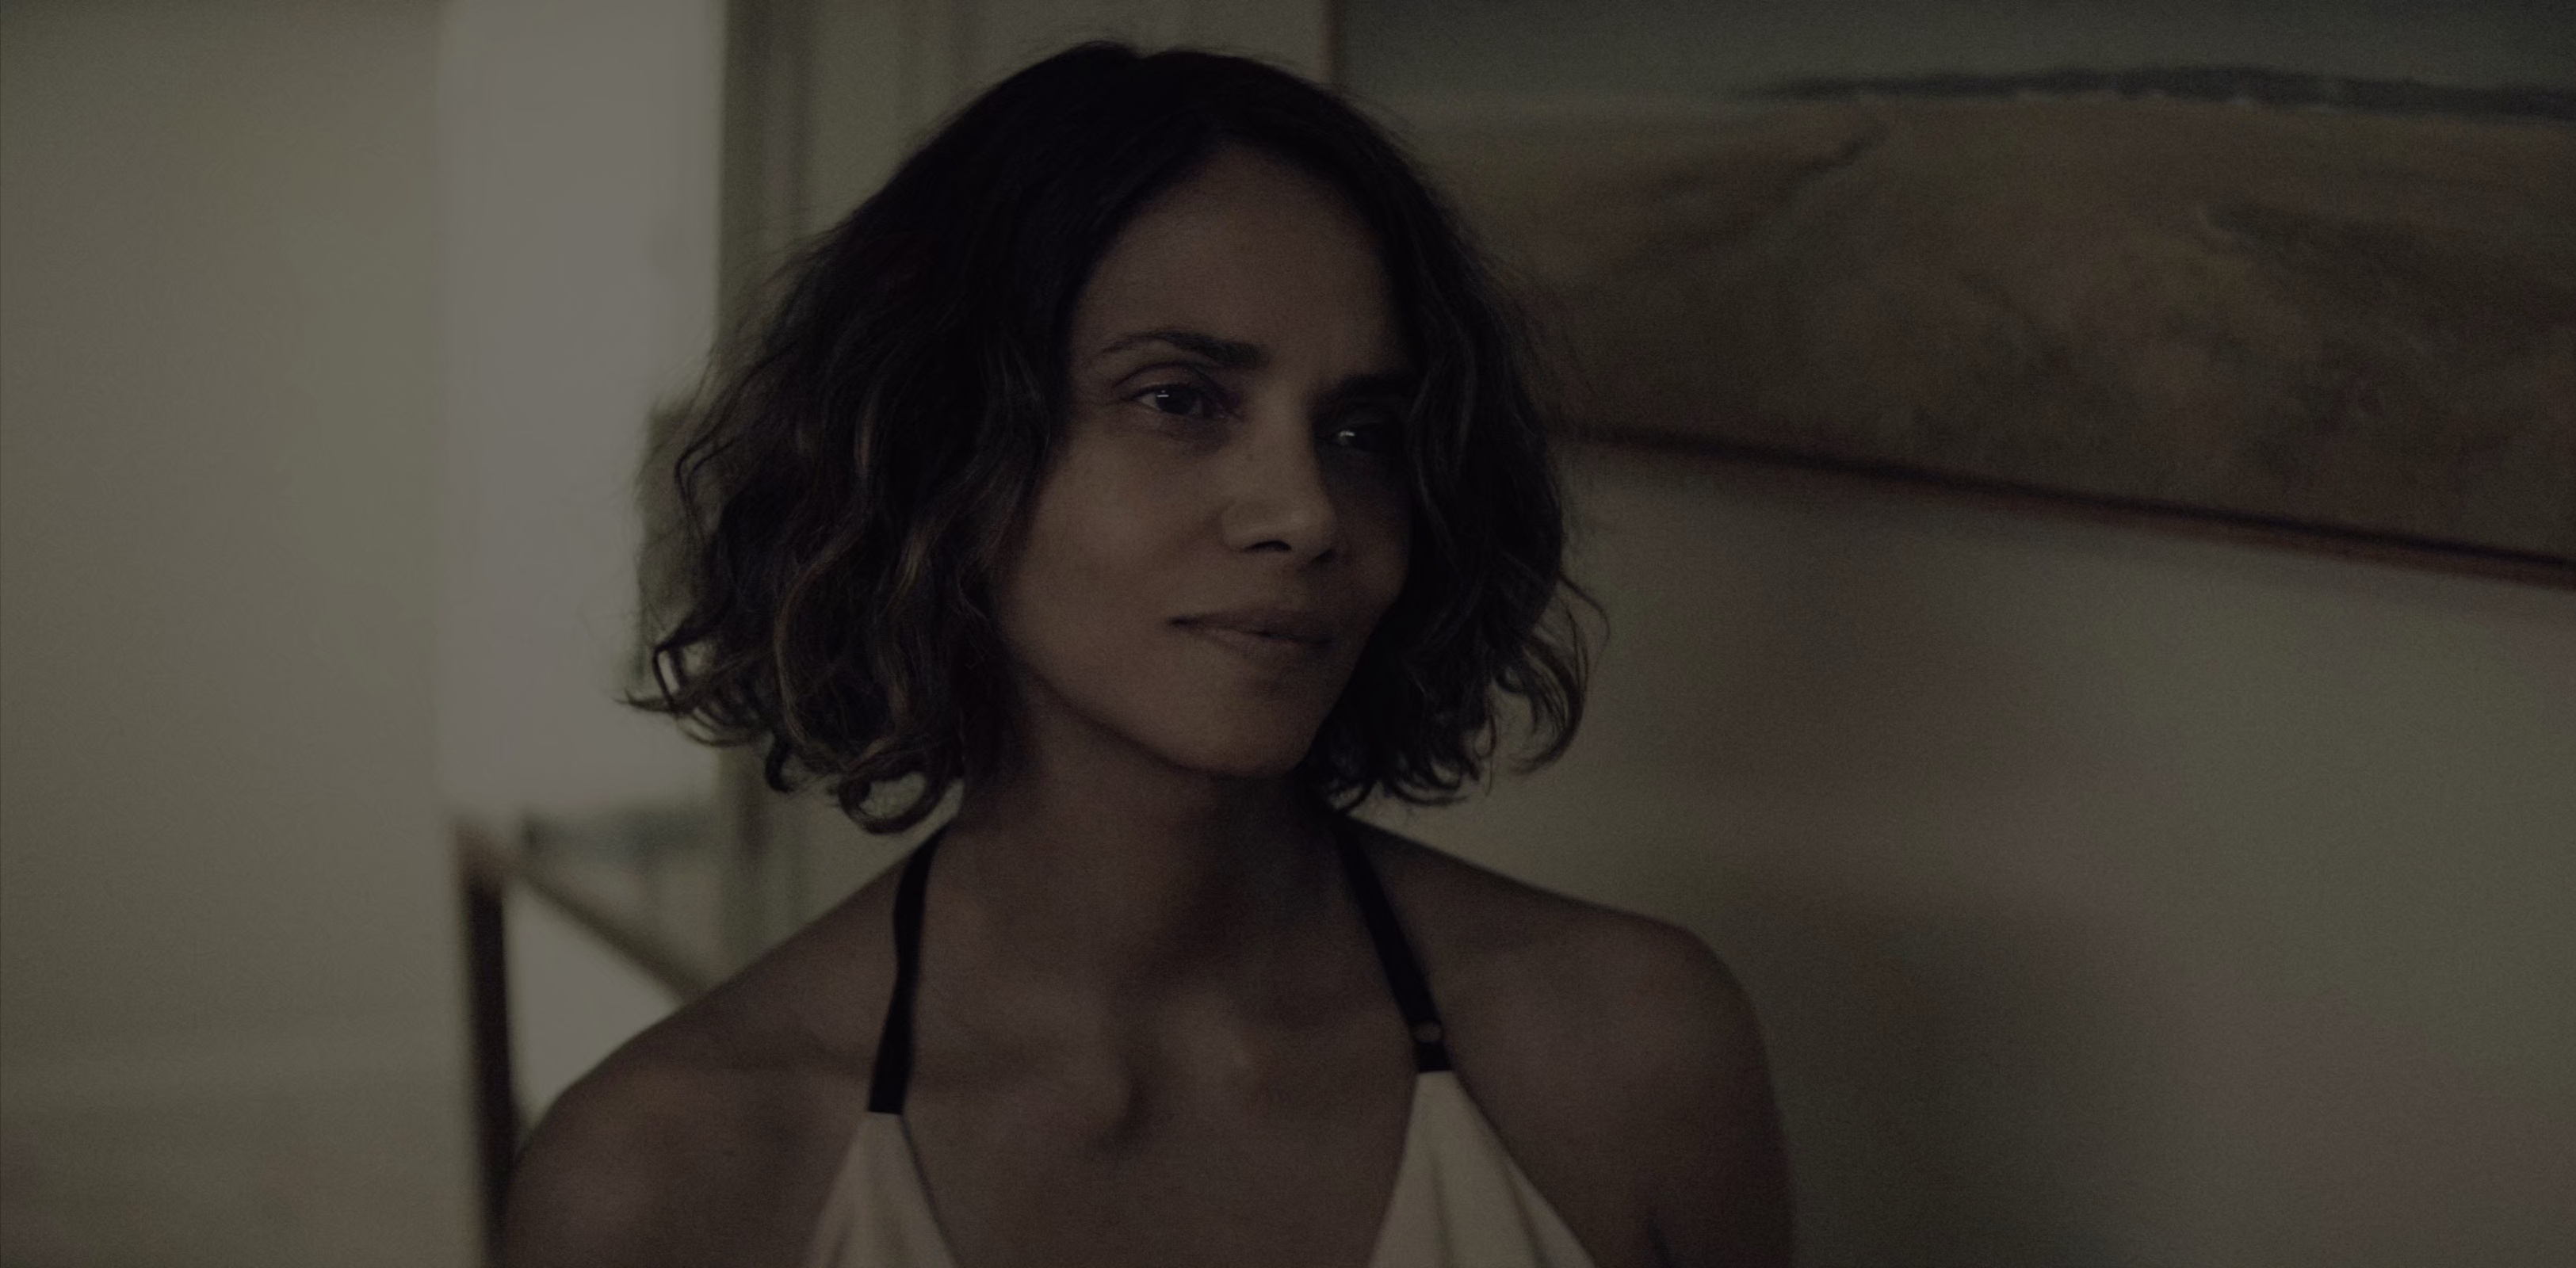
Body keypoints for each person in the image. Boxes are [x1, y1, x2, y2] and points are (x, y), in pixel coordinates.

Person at [498, 43, 1791, 1267]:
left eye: (1364, 432)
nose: (1307, 513)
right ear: (943, 451)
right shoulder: (663, 1178)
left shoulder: (1632, 1053)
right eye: (1179, 400)